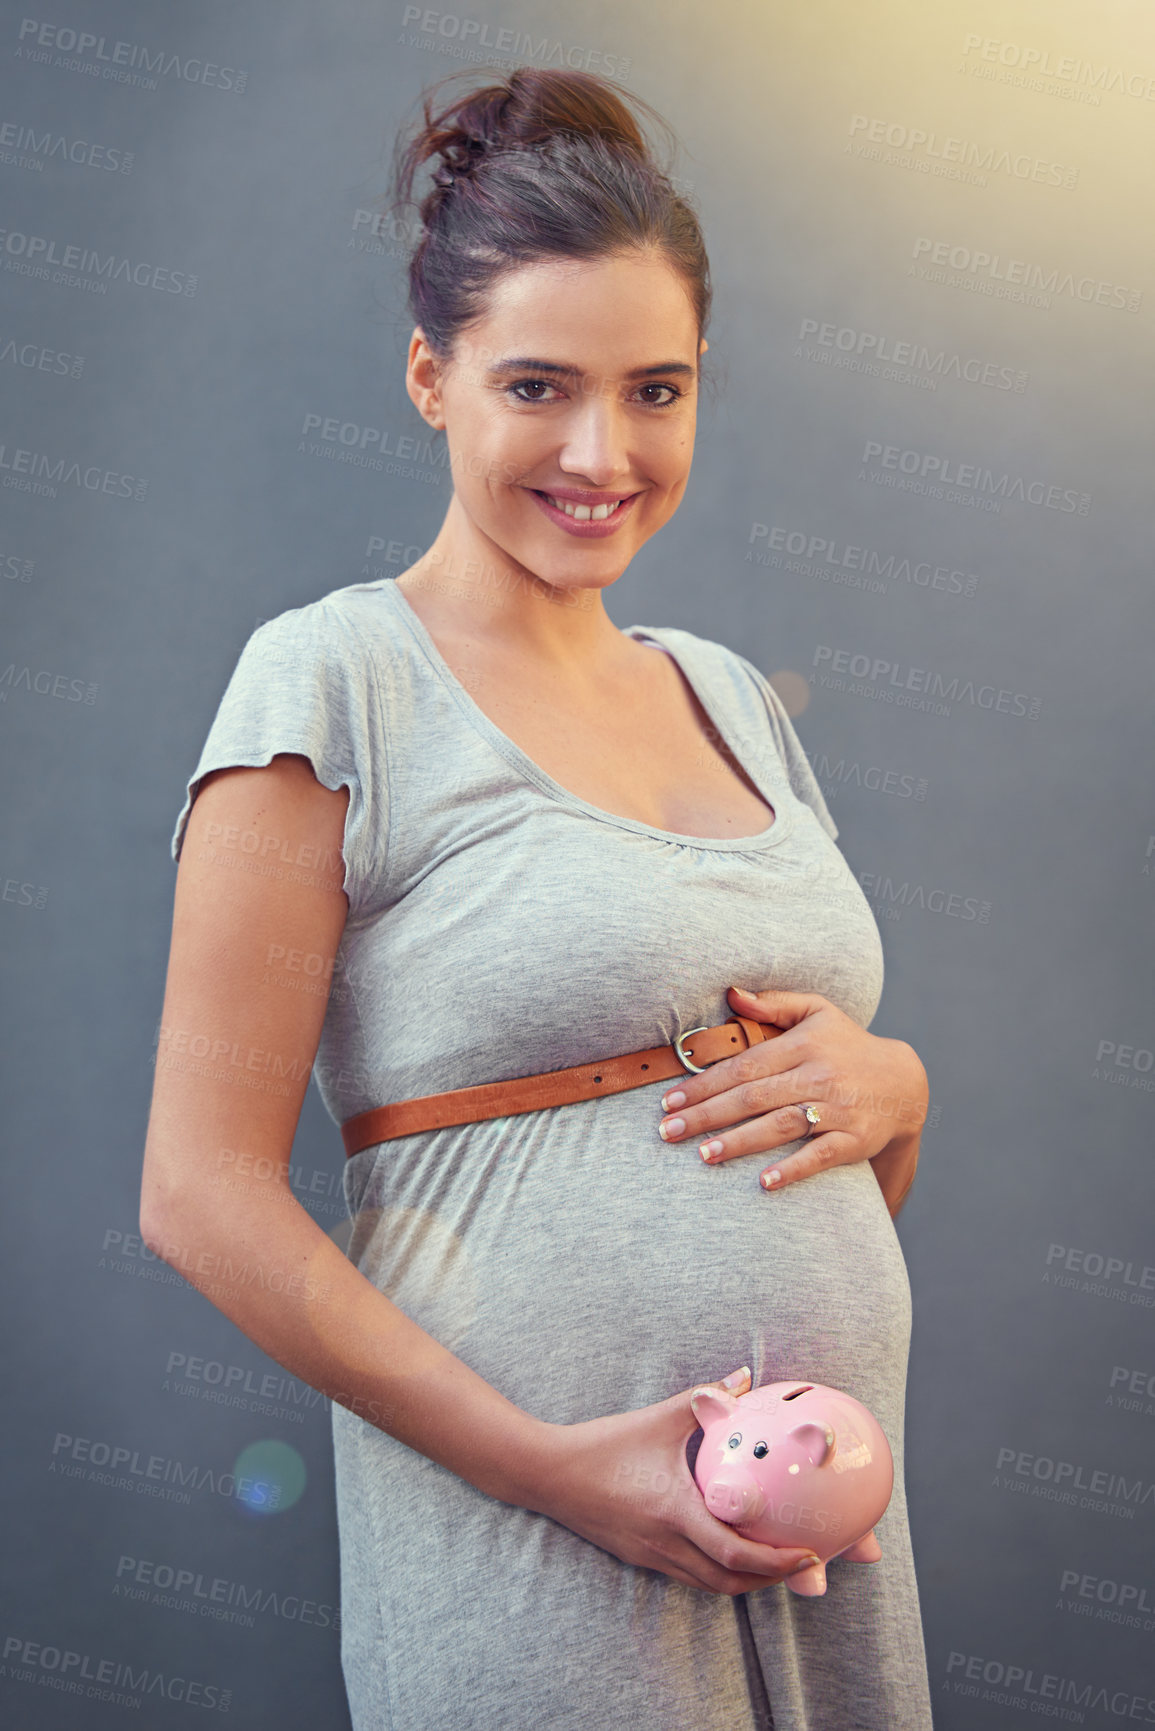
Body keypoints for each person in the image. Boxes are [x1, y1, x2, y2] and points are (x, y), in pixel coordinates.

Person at [140, 65, 933, 1731]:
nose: (602, 452)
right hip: (535, 1537)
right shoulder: (334, 682)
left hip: (823, 1551)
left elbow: (794, 1143)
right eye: (537, 388)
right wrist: (560, 1472)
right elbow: (199, 1194)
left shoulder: (723, 691)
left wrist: (895, 1086)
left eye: (657, 389)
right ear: (431, 380)